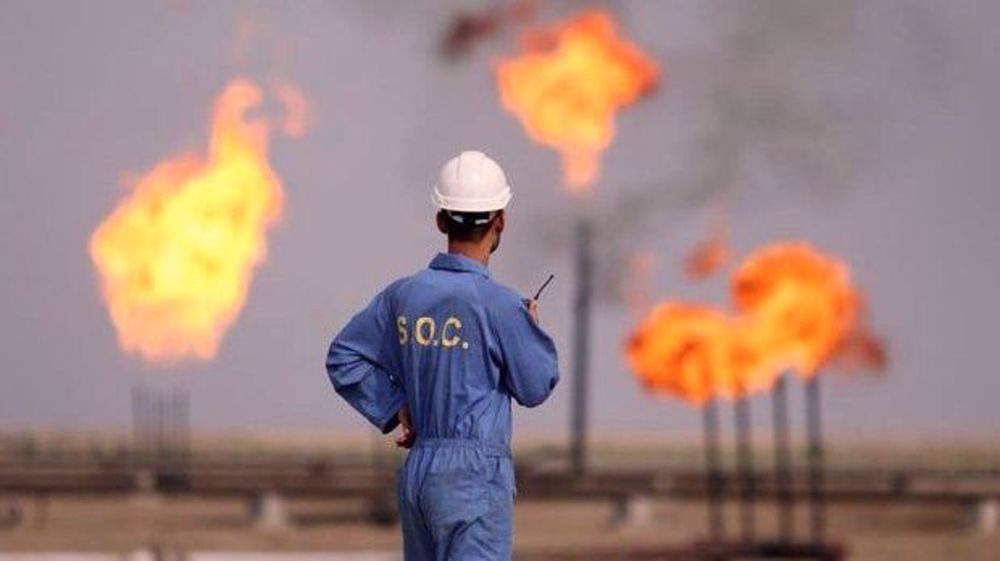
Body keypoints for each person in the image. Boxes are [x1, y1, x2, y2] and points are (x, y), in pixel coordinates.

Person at [325, 150, 560, 561]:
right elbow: (536, 386)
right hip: (474, 477)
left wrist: (395, 406)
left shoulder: (403, 295)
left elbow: (344, 357)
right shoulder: (502, 306)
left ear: (440, 220)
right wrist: (529, 330)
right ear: (501, 220)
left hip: (421, 473)